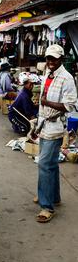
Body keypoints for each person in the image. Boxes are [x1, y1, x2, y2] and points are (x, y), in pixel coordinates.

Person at [35, 44, 77, 223]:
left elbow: (70, 105)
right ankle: (53, 196)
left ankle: (46, 206)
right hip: (44, 123)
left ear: (61, 59)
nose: (50, 62)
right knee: (50, 163)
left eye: (54, 59)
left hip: (55, 126)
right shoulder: (47, 73)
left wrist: (47, 103)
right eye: (48, 58)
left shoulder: (66, 78)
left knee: (44, 164)